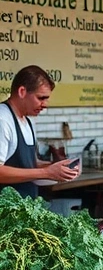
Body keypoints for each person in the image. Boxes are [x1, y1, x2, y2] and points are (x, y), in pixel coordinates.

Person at [0, 65, 78, 197]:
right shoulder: (3, 119)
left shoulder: (28, 121)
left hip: (25, 208)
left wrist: (57, 168)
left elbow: (29, 164)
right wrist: (47, 172)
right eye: (41, 98)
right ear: (22, 92)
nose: (45, 104)